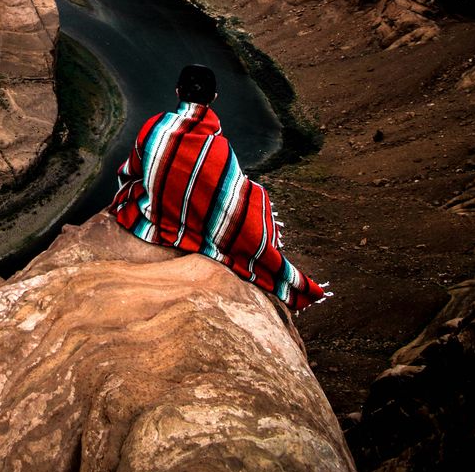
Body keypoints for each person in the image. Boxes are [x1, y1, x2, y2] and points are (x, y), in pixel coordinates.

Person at [111, 64, 329, 311]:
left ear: (177, 91)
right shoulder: (218, 149)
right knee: (254, 195)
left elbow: (132, 171)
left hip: (151, 215)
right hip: (187, 225)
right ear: (213, 98)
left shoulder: (154, 126)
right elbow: (231, 203)